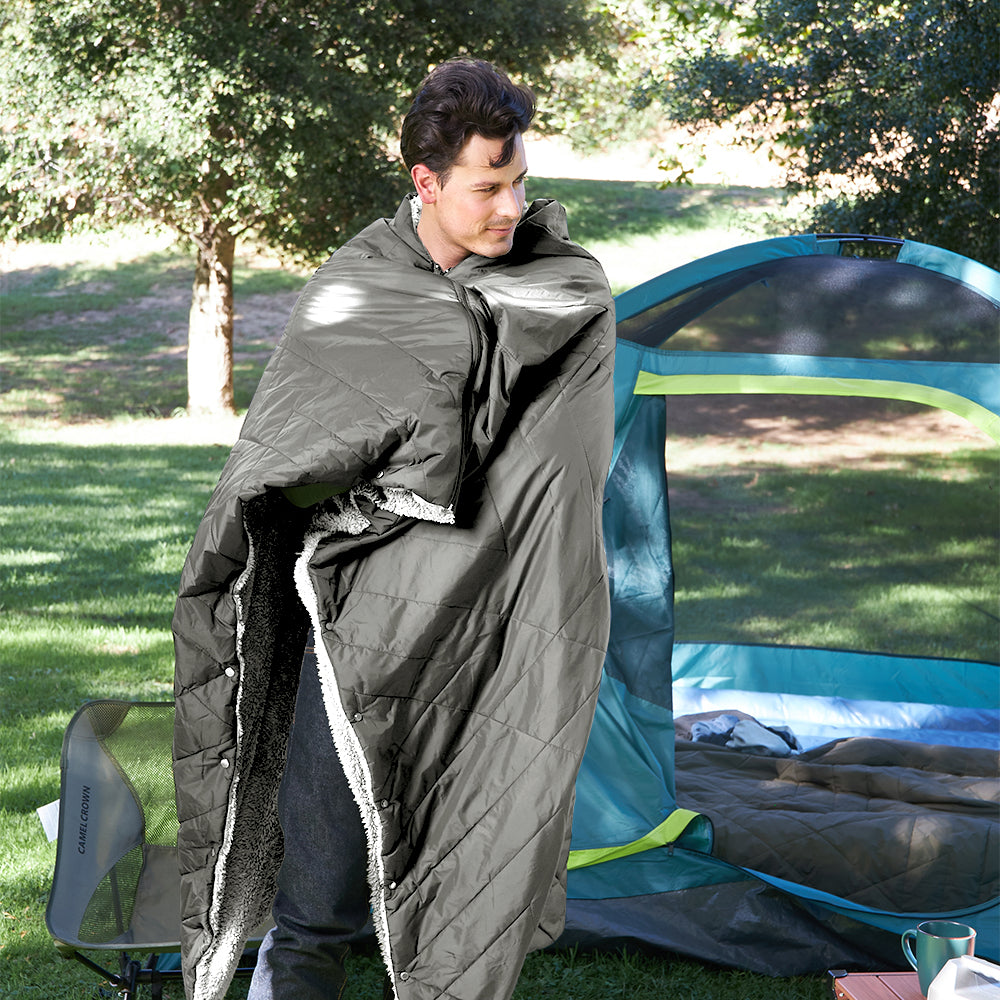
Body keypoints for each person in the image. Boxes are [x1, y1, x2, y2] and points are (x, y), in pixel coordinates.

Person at [171, 59, 615, 1000]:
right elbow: (286, 461)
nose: (511, 205)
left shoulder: (563, 286)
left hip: (492, 637)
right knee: (317, 907)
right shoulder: (357, 289)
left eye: (520, 179)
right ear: (427, 183)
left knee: (472, 881)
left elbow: (559, 468)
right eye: (488, 187)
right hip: (360, 638)